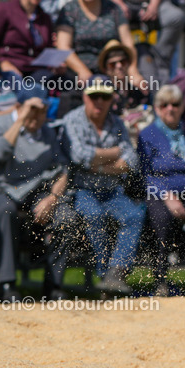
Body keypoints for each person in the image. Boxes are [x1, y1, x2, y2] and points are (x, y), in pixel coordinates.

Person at [0, 85, 74, 301]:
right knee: (6, 212)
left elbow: (63, 170)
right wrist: (19, 120)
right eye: (32, 110)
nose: (38, 116)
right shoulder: (0, 124)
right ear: (19, 107)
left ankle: (53, 285)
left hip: (37, 190)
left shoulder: (48, 132)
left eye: (42, 110)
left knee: (65, 215)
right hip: (3, 186)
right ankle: (7, 284)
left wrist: (52, 198)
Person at [61, 75, 144, 293]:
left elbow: (132, 160)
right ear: (85, 96)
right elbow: (79, 156)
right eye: (94, 96)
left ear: (111, 99)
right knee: (94, 216)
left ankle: (115, 274)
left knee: (134, 217)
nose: (99, 101)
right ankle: (105, 274)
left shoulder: (116, 122)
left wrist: (97, 164)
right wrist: (115, 154)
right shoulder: (72, 119)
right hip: (82, 190)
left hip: (112, 190)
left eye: (104, 96)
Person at [138, 84, 185, 300]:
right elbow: (145, 174)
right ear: (156, 107)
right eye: (164, 105)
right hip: (160, 191)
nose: (170, 109)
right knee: (161, 220)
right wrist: (166, 196)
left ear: (182, 107)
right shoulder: (147, 135)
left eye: (175, 104)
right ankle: (160, 280)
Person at [55, 0, 146, 86]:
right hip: (80, 70)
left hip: (112, 67)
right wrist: (82, 70)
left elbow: (128, 42)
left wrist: (133, 70)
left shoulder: (113, 8)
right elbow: (63, 46)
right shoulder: (69, 10)